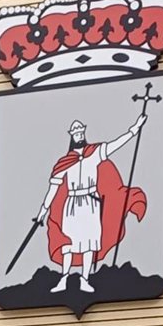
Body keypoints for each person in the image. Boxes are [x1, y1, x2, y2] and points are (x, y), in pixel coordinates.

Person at [36, 115, 146, 294]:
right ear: (72, 136)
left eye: (81, 132)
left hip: (90, 203)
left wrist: (134, 129)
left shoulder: (94, 153)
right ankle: (64, 278)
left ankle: (85, 279)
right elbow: (53, 189)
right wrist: (43, 211)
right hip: (72, 204)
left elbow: (115, 145)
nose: (79, 135)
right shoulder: (64, 163)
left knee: (89, 243)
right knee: (67, 243)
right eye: (76, 133)